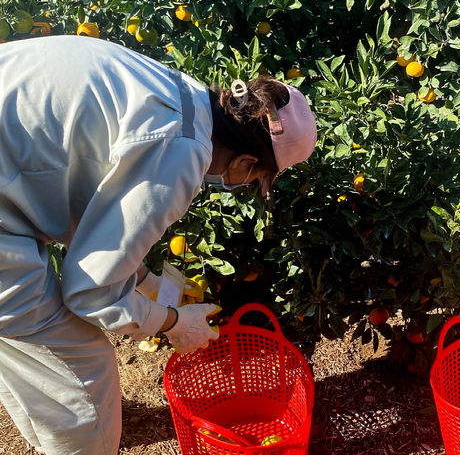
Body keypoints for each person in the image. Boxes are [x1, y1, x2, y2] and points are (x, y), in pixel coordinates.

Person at [0, 35, 317, 455]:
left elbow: (82, 188)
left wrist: (145, 281)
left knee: (38, 364)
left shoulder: (183, 95)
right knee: (80, 376)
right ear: (245, 163)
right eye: (254, 182)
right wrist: (171, 323)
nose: (241, 186)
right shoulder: (181, 152)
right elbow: (89, 292)